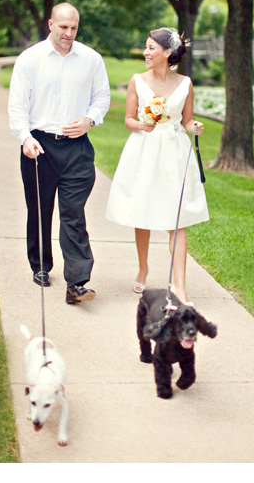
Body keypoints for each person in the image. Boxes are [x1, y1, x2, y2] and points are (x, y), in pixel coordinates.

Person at [8, 2, 111, 304]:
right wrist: (25, 138)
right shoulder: (30, 60)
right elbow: (17, 106)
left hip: (77, 148)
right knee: (40, 211)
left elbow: (102, 97)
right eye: (63, 27)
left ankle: (77, 282)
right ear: (51, 24)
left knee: (73, 215)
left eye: (74, 28)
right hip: (39, 146)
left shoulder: (91, 60)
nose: (68, 33)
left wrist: (90, 120)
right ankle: (40, 265)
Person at [105, 27, 208, 305]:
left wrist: (194, 126)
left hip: (174, 152)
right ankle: (143, 268)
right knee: (144, 212)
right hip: (145, 149)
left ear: (167, 52)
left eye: (151, 48)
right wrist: (142, 124)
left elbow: (186, 120)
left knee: (178, 219)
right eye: (146, 47)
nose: (146, 52)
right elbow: (128, 119)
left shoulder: (185, 83)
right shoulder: (136, 81)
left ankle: (180, 287)